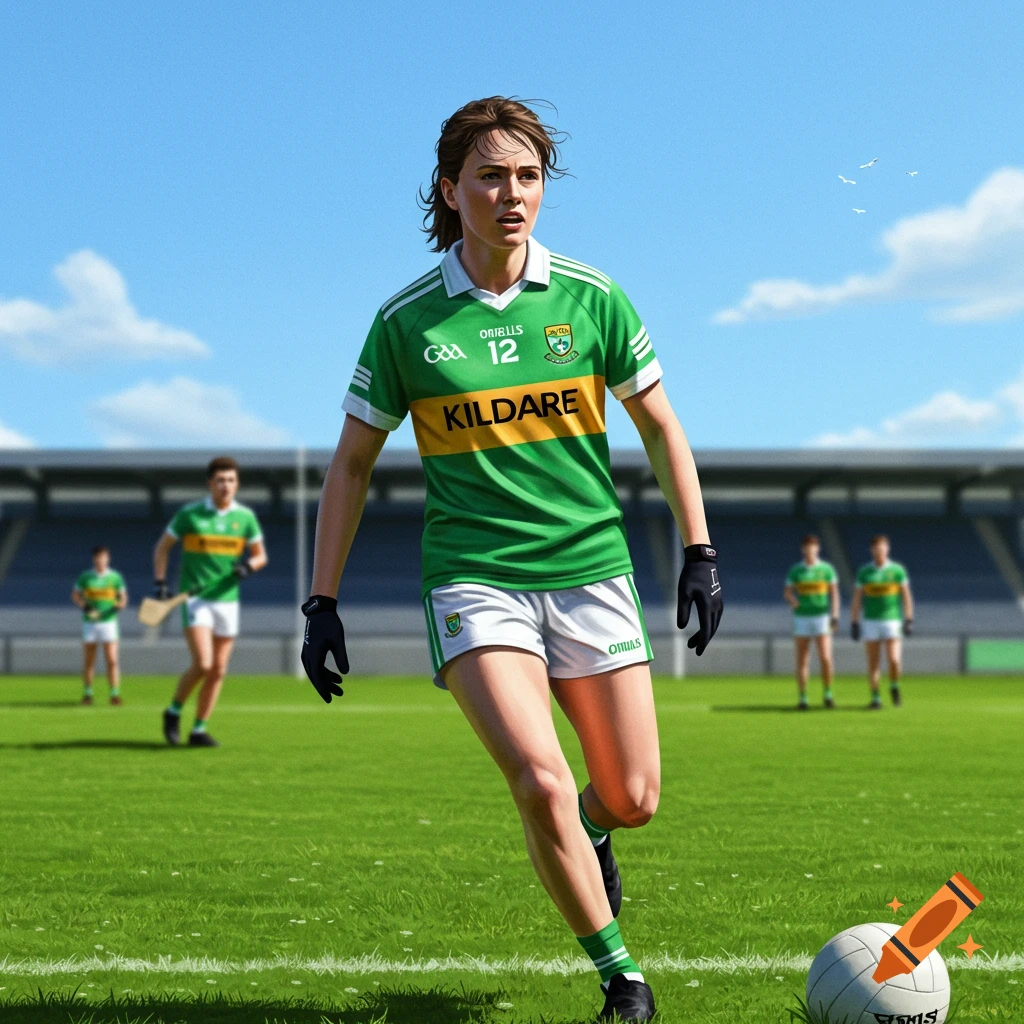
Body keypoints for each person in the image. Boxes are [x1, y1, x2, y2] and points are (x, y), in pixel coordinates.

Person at [299, 97, 723, 1023]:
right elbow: (352, 462)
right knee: (536, 778)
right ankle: (622, 977)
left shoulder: (593, 296)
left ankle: (594, 828)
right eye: (489, 176)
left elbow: (660, 424)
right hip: (473, 579)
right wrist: (319, 602)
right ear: (450, 192)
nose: (511, 194)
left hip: (592, 572)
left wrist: (699, 548)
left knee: (633, 796)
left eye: (527, 176)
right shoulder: (405, 323)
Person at [153, 456, 267, 747]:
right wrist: (161, 584)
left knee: (219, 669)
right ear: (210, 484)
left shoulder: (245, 518)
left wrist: (249, 566)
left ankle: (199, 729)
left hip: (228, 601)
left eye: (230, 480)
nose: (225, 486)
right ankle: (173, 711)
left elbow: (260, 555)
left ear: (237, 483)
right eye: (220, 480)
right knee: (203, 664)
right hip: (196, 600)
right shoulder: (190, 515)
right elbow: (162, 548)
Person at [850, 534, 913, 709]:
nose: (880, 551)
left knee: (894, 660)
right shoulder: (864, 572)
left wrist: (909, 619)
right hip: (871, 621)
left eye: (882, 548)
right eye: (876, 548)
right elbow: (856, 599)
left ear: (888, 549)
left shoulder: (897, 570)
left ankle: (894, 685)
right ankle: (875, 698)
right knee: (873, 661)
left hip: (892, 620)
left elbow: (907, 597)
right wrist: (854, 622)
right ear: (872, 550)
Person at [783, 534, 840, 709]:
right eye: (807, 547)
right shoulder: (796, 571)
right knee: (802, 659)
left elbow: (834, 594)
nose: (810, 550)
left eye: (813, 547)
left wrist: (835, 615)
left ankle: (828, 694)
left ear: (817, 549)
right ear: (803, 549)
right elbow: (787, 592)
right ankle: (803, 698)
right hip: (802, 618)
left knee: (825, 657)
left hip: (821, 617)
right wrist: (794, 602)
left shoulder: (826, 570)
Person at [71, 544, 127, 705]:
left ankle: (114, 694)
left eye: (104, 557)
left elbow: (123, 597)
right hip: (91, 623)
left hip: (109, 622)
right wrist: (86, 607)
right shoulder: (86, 577)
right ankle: (88, 693)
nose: (101, 560)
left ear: (108, 558)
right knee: (89, 660)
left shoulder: (115, 577)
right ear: (94, 559)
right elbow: (75, 595)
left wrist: (121, 604)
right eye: (98, 557)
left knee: (112, 660)